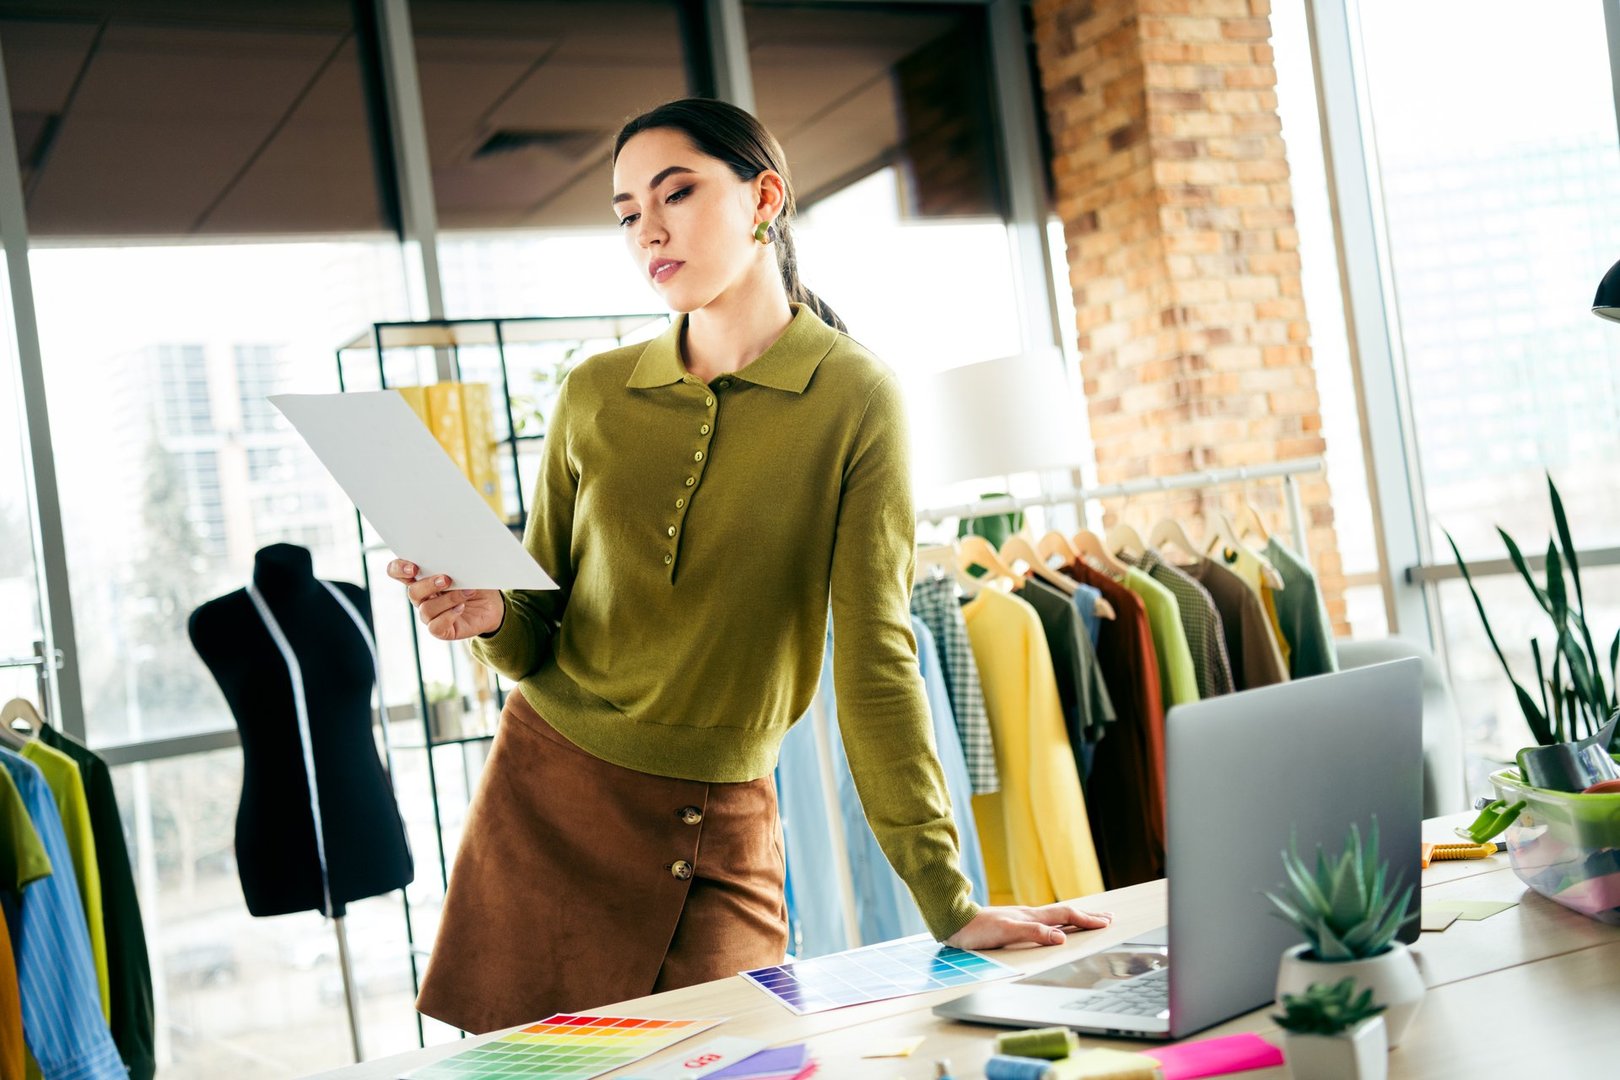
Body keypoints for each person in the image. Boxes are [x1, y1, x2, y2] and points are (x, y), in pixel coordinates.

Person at [390, 97, 1111, 1034]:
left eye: (676, 194)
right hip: (543, 800)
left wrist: (950, 900)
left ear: (764, 198)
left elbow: (878, 658)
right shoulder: (593, 393)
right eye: (626, 214)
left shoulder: (855, 397)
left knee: (747, 1057)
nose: (648, 231)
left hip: (721, 823)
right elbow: (535, 632)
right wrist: (489, 615)